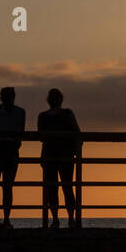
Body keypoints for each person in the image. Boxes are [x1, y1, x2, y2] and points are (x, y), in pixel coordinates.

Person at [38, 88, 82, 229]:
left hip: (51, 155)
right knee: (67, 186)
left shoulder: (43, 116)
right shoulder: (67, 114)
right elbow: (77, 133)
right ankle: (70, 219)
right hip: (65, 155)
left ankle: (56, 219)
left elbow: (41, 136)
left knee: (53, 188)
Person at [0, 87, 25, 228]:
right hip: (5, 150)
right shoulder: (19, 112)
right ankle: (1, 219)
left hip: (0, 150)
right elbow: (20, 132)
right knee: (2, 186)